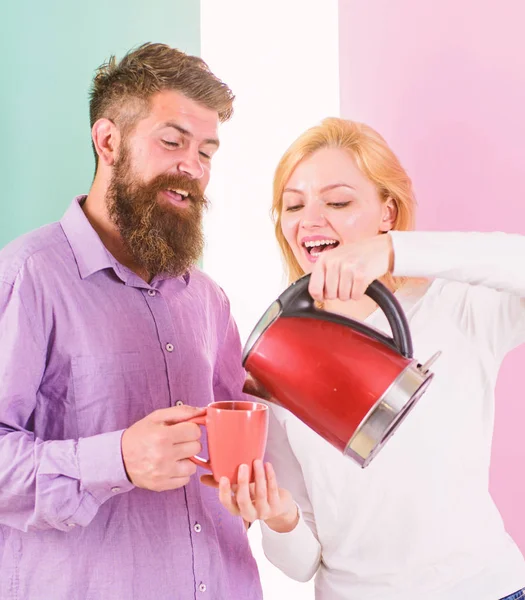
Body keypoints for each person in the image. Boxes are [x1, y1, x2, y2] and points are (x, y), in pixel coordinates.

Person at [216, 117, 525, 599]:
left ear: (387, 212)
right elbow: (302, 563)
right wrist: (278, 517)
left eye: (338, 202)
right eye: (293, 205)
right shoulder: (278, 361)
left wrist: (395, 252)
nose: (310, 220)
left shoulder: (460, 307)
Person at [0, 42, 262, 600]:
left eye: (207, 151)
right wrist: (115, 458)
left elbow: (234, 450)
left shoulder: (208, 299)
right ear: (108, 140)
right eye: (172, 142)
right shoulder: (28, 276)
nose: (192, 166)